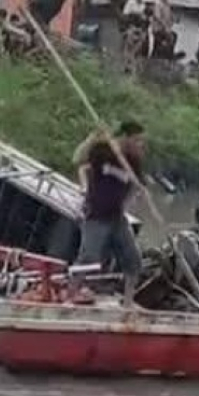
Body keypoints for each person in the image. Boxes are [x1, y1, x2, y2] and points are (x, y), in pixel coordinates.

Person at [71, 122, 147, 309]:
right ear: (125, 138)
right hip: (96, 214)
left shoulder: (133, 160)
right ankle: (72, 293)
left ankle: (128, 301)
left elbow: (136, 186)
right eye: (136, 140)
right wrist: (92, 138)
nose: (139, 145)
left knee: (133, 260)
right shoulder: (102, 151)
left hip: (117, 217)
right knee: (88, 258)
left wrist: (127, 204)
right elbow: (77, 159)